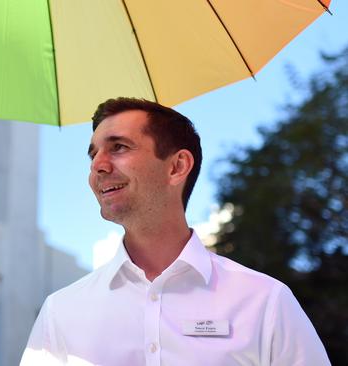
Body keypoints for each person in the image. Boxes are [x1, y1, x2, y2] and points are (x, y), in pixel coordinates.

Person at [20, 97, 330, 365]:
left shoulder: (266, 301)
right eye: (93, 154)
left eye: (118, 147)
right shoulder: (60, 312)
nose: (97, 166)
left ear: (177, 166)